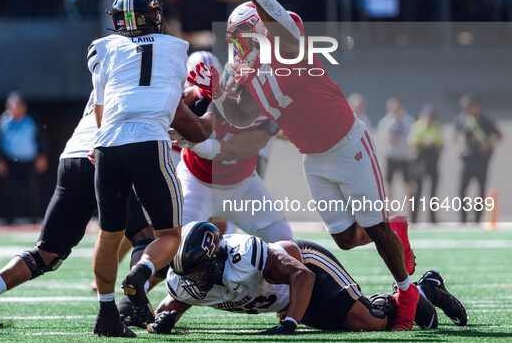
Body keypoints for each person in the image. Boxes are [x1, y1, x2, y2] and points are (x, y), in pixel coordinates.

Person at [195, 0, 419, 331]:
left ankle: (407, 290)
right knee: (347, 239)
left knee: (374, 227)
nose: (238, 47)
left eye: (243, 38)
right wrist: (216, 94)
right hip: (313, 158)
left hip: (347, 144)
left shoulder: (288, 47)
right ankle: (394, 231)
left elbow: (265, 1)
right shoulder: (252, 79)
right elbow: (240, 117)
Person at [0, 90, 213, 330]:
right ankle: (125, 307)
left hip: (72, 157)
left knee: (46, 253)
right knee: (144, 237)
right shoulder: (152, 69)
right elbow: (186, 117)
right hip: (108, 153)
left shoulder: (111, 67)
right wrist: (208, 101)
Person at [86, 0, 200, 337]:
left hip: (108, 143)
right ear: (155, 16)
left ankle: (107, 316)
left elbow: (102, 112)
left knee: (109, 234)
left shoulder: (102, 49)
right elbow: (172, 104)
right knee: (169, 234)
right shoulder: (178, 49)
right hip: (149, 140)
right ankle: (140, 272)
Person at [148, 222, 467, 334]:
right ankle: (424, 294)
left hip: (307, 270)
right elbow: (170, 307)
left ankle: (424, 288)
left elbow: (301, 275)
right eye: (188, 274)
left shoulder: (242, 255)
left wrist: (290, 323)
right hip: (289, 299)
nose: (195, 281)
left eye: (200, 271)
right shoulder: (188, 281)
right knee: (349, 325)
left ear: (215, 259)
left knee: (370, 323)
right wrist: (160, 322)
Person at [173, 100, 293, 242]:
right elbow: (179, 100)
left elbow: (234, 149)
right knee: (179, 244)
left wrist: (192, 142)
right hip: (196, 180)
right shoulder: (208, 87)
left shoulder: (274, 100)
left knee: (283, 239)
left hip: (242, 185)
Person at [0, 92, 49, 224]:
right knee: (10, 191)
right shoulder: (2, 122)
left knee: (31, 191)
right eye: (13, 105)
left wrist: (42, 156)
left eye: (19, 105)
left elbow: (41, 139)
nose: (16, 108)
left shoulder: (31, 120)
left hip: (29, 160)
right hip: (10, 161)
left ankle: (33, 219)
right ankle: (9, 220)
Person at [453, 93, 502, 223]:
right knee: (462, 189)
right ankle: (463, 219)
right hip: (467, 158)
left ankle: (477, 219)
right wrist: (458, 147)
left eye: (469, 106)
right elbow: (455, 135)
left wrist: (488, 144)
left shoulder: (484, 120)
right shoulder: (462, 120)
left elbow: (499, 135)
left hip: (481, 159)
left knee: (481, 189)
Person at [408, 104, 443, 223]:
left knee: (433, 191)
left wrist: (434, 144)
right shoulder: (417, 126)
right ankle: (414, 217)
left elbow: (441, 143)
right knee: (418, 190)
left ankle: (432, 218)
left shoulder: (437, 127)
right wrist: (425, 142)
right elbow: (413, 143)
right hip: (420, 162)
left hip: (432, 161)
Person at [377, 98, 415, 205]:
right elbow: (385, 138)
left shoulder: (408, 120)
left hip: (405, 157)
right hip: (391, 156)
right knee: (389, 184)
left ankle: (410, 211)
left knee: (409, 184)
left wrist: (398, 140)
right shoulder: (386, 121)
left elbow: (411, 137)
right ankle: (390, 209)